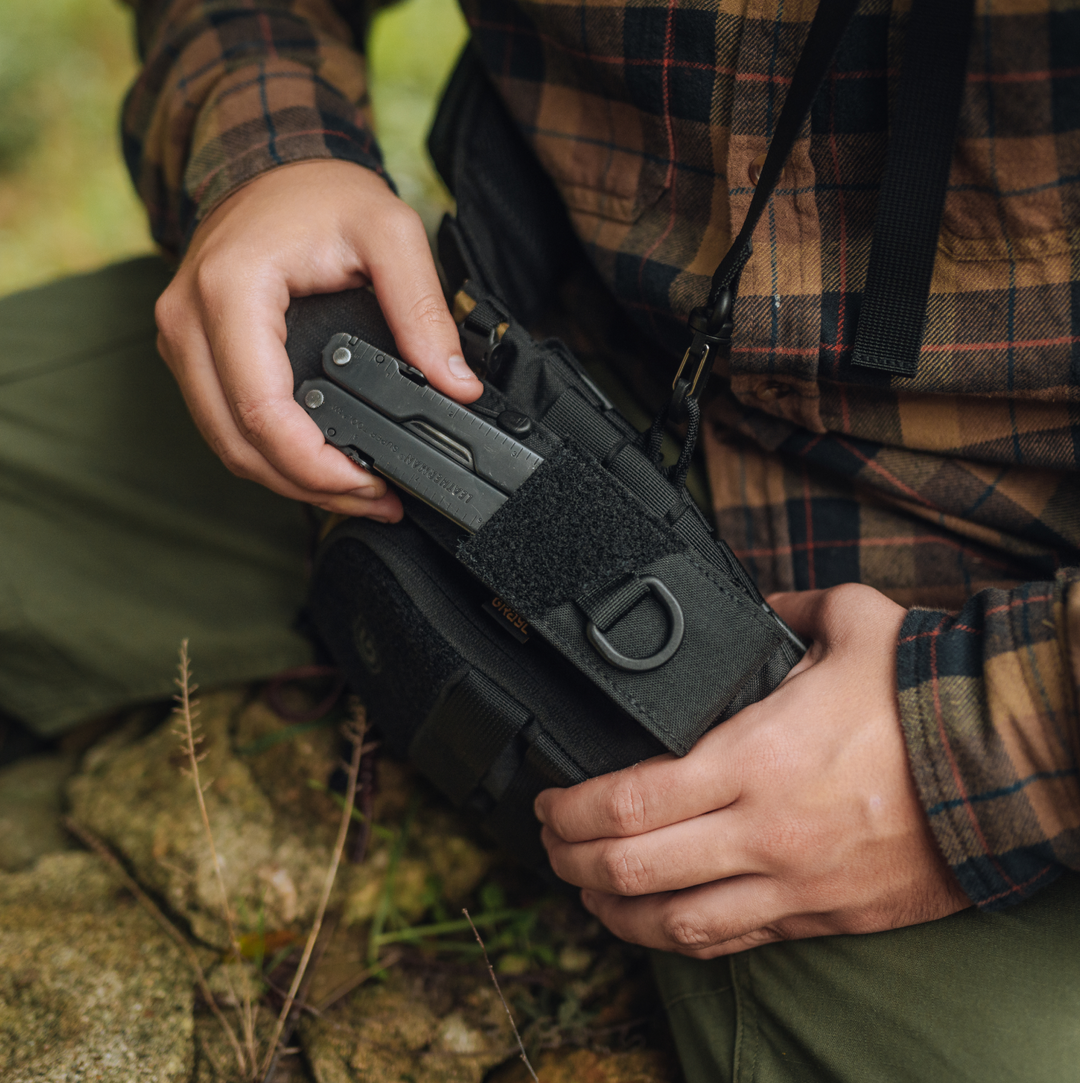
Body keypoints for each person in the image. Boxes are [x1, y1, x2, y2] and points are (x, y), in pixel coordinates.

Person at [1, 0, 1077, 1078]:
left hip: (977, 602)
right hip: (468, 390)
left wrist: (989, 746)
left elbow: (1000, 741)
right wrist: (271, 150)